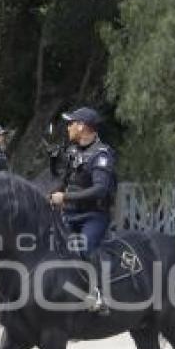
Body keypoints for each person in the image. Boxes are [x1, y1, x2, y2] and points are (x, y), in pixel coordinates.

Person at [49, 106, 118, 313]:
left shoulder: (102, 154)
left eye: (71, 123)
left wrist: (66, 197)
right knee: (51, 246)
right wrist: (51, 196)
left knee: (84, 248)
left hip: (94, 216)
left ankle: (98, 295)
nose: (68, 127)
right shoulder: (73, 152)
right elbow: (64, 182)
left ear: (82, 126)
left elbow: (100, 189)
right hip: (70, 214)